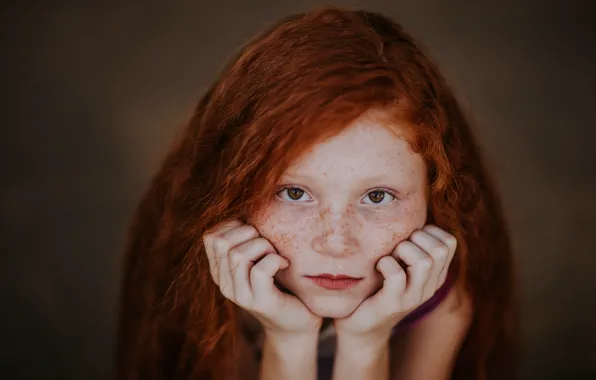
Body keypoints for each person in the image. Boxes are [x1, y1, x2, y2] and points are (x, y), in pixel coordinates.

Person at [116, 5, 518, 380]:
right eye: (293, 193)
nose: (336, 242)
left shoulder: (444, 295)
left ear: (435, 192)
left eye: (377, 196)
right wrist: (287, 338)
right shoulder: (202, 285)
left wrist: (367, 341)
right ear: (231, 188)